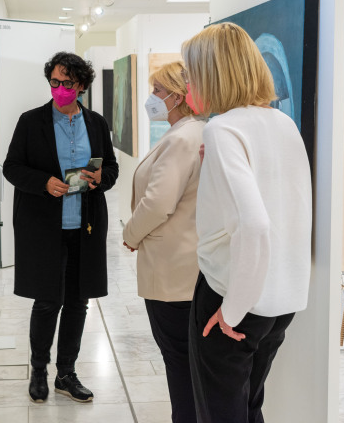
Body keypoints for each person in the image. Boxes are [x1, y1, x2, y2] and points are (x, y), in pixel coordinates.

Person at [181, 22, 312, 422]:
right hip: (280, 299)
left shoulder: (223, 128)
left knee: (219, 413)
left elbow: (254, 225)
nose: (187, 84)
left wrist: (232, 309)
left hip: (232, 295)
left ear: (211, 73)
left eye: (190, 74)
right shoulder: (282, 123)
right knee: (249, 406)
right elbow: (282, 203)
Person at [2, 51, 118, 404]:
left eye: (66, 83)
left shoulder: (96, 123)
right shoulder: (30, 121)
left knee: (78, 302)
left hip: (84, 227)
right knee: (48, 300)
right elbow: (11, 168)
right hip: (44, 227)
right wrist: (44, 182)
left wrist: (100, 178)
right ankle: (39, 369)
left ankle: (66, 373)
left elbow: (111, 169)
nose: (59, 89)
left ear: (81, 85)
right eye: (54, 82)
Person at [121, 61, 204, 423]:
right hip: (185, 269)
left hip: (174, 274)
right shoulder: (190, 133)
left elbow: (157, 203)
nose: (152, 98)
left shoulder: (182, 138)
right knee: (186, 362)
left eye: (157, 90)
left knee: (180, 361)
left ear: (178, 95)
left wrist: (130, 235)